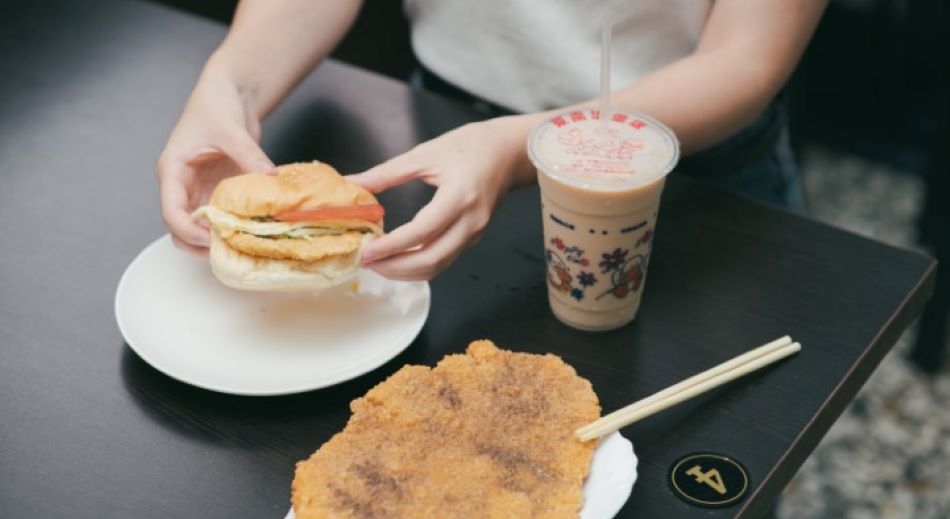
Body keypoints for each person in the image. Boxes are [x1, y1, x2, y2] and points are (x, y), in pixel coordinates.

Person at [157, 0, 828, 281]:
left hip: (686, 176)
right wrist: (233, 82)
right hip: (445, 131)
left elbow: (746, 59)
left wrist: (519, 147)